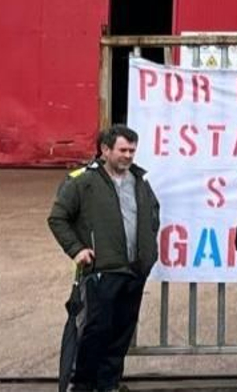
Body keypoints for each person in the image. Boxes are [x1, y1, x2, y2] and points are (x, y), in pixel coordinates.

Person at [49, 125, 161, 392]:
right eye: (123, 150)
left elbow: (153, 213)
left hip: (134, 269)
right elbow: (58, 218)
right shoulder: (82, 181)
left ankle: (108, 383)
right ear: (105, 149)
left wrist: (148, 249)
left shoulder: (139, 180)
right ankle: (84, 384)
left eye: (132, 150)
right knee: (95, 330)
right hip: (102, 269)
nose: (128, 155)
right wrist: (76, 249)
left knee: (122, 330)